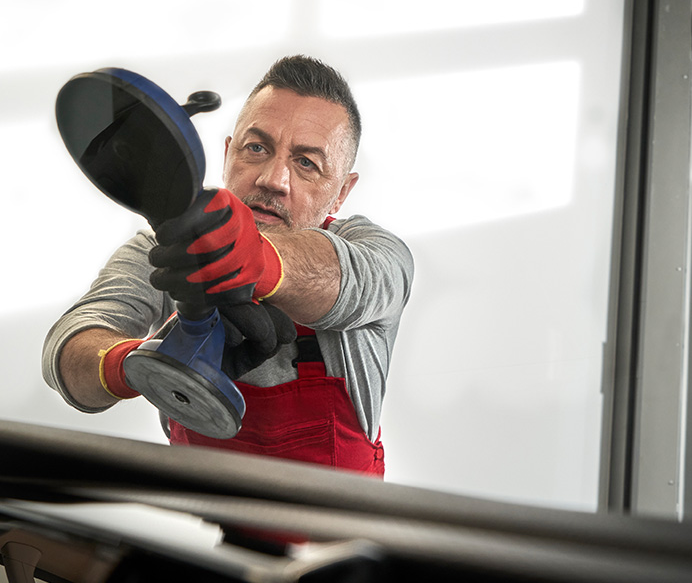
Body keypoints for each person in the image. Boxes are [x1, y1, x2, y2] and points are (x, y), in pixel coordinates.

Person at [42, 55, 414, 478]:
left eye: (307, 163)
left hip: (338, 535)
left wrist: (253, 259)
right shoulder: (167, 246)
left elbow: (349, 280)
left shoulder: (376, 250)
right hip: (203, 529)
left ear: (341, 193)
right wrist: (139, 364)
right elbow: (68, 350)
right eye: (257, 148)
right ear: (227, 154)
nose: (274, 179)